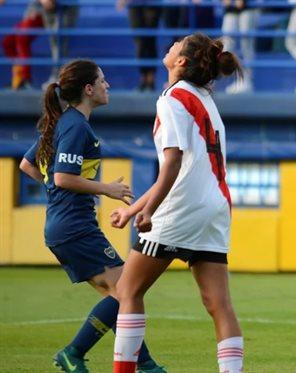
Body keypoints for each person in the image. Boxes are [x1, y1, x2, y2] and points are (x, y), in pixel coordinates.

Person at [18, 59, 165, 373]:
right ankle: (73, 353)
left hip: (65, 225)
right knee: (128, 289)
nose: (107, 85)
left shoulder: (61, 122)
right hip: (74, 227)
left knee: (122, 295)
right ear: (88, 89)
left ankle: (145, 363)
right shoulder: (75, 126)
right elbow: (62, 178)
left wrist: (56, 193)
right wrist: (106, 189)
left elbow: (27, 165)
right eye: (102, 80)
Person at [109, 33, 244, 373]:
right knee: (219, 304)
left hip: (181, 206)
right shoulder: (205, 98)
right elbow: (185, 167)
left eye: (176, 45)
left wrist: (149, 210)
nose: (169, 46)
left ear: (181, 61)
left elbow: (171, 165)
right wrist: (132, 209)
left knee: (127, 289)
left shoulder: (171, 98)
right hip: (215, 205)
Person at [1, 0, 44, 90]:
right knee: (8, 43)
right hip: (29, 16)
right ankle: (18, 76)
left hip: (39, 15)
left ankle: (25, 78)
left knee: (22, 39)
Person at [39, 0, 80, 89]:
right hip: (49, 8)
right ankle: (58, 76)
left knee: (63, 42)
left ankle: (61, 77)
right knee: (54, 42)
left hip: (68, 6)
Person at [222, 0, 259, 93]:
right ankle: (238, 79)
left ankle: (247, 81)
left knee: (246, 45)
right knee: (227, 45)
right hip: (230, 9)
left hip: (248, 7)